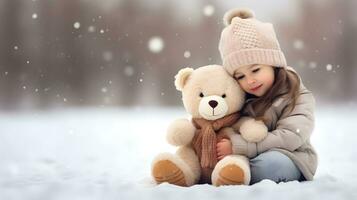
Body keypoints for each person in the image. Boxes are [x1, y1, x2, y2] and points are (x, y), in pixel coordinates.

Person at [215, 8, 318, 185]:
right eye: (240, 76)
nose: (250, 80)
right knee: (219, 162)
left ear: (273, 64)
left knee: (271, 165)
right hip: (247, 155)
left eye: (255, 70)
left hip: (291, 157)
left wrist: (239, 146)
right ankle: (229, 172)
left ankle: (237, 173)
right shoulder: (242, 99)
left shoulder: (296, 94)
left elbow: (290, 136)